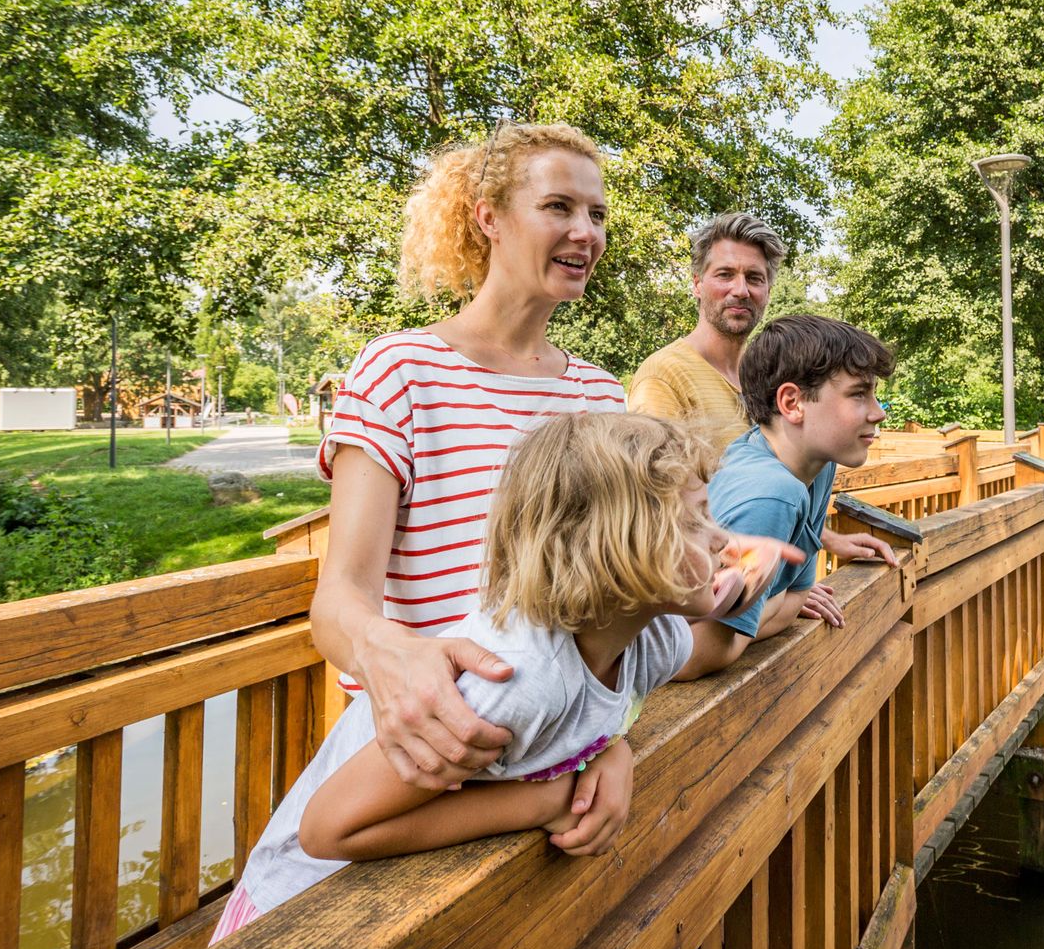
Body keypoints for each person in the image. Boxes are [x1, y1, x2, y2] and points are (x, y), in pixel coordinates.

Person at [310, 123, 789, 855]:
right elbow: (338, 597)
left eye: (596, 215)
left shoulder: (596, 391)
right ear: (489, 219)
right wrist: (388, 651)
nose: (585, 233)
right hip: (419, 767)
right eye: (559, 207)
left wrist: (606, 743)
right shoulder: (399, 370)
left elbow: (608, 601)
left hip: (535, 765)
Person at [215, 413, 776, 940]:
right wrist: (544, 802)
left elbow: (615, 705)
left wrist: (611, 748)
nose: (722, 539)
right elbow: (328, 829)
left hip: (391, 914)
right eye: (694, 519)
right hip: (294, 910)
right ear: (617, 546)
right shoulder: (520, 677)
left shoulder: (654, 639)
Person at [629, 213, 901, 571]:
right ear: (697, 284)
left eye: (754, 278)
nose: (740, 290)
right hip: (713, 591)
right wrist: (763, 594)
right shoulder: (664, 377)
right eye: (725, 274)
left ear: (768, 291)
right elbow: (656, 507)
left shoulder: (771, 369)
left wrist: (823, 542)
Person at [675, 315, 896, 681]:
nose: (878, 412)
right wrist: (771, 605)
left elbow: (799, 592)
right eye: (859, 394)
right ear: (792, 403)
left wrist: (765, 607)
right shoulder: (772, 493)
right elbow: (696, 654)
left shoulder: (813, 466)